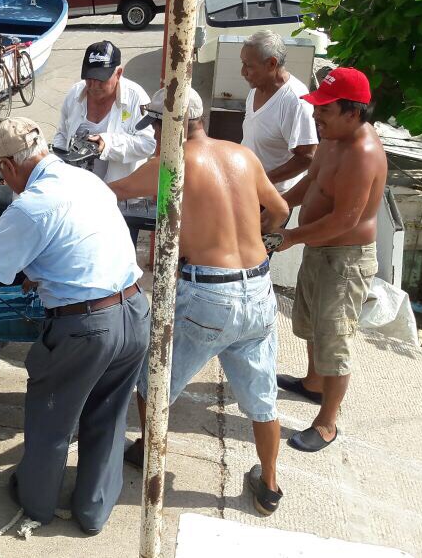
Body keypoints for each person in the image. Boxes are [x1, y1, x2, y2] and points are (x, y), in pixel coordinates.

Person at [0, 117, 150, 534]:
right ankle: (93, 510)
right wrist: (40, 268)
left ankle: (37, 503)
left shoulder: (30, 206)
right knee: (108, 413)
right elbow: (78, 242)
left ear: (8, 166)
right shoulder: (86, 181)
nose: (0, 179)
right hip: (135, 309)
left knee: (52, 418)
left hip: (86, 327)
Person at [106, 88, 290, 516]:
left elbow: (111, 192)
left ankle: (152, 455)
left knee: (152, 385)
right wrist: (255, 241)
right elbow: (279, 210)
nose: (152, 135)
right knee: (263, 400)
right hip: (260, 290)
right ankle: (269, 484)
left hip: (209, 293)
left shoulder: (170, 163)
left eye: (153, 126)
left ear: (163, 125)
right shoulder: (241, 155)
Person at [272, 67, 385, 453]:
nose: (317, 116)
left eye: (326, 110)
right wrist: (281, 203)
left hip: (345, 258)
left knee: (335, 338)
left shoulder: (363, 154)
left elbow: (344, 220)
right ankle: (312, 384)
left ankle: (327, 423)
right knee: (309, 322)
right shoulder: (333, 139)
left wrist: (290, 237)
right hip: (319, 249)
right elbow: (313, 183)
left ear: (353, 113)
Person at [52, 40, 156, 184]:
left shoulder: (137, 98)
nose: (93, 86)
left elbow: (148, 144)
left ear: (118, 73)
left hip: (120, 195)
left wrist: (108, 144)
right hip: (78, 189)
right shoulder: (75, 93)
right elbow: (62, 134)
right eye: (89, 78)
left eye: (101, 79)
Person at [240, 30, 318, 197]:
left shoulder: (295, 101)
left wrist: (261, 181)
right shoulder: (256, 88)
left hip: (272, 196)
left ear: (272, 64)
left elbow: (307, 157)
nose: (243, 72)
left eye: (249, 65)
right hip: (247, 189)